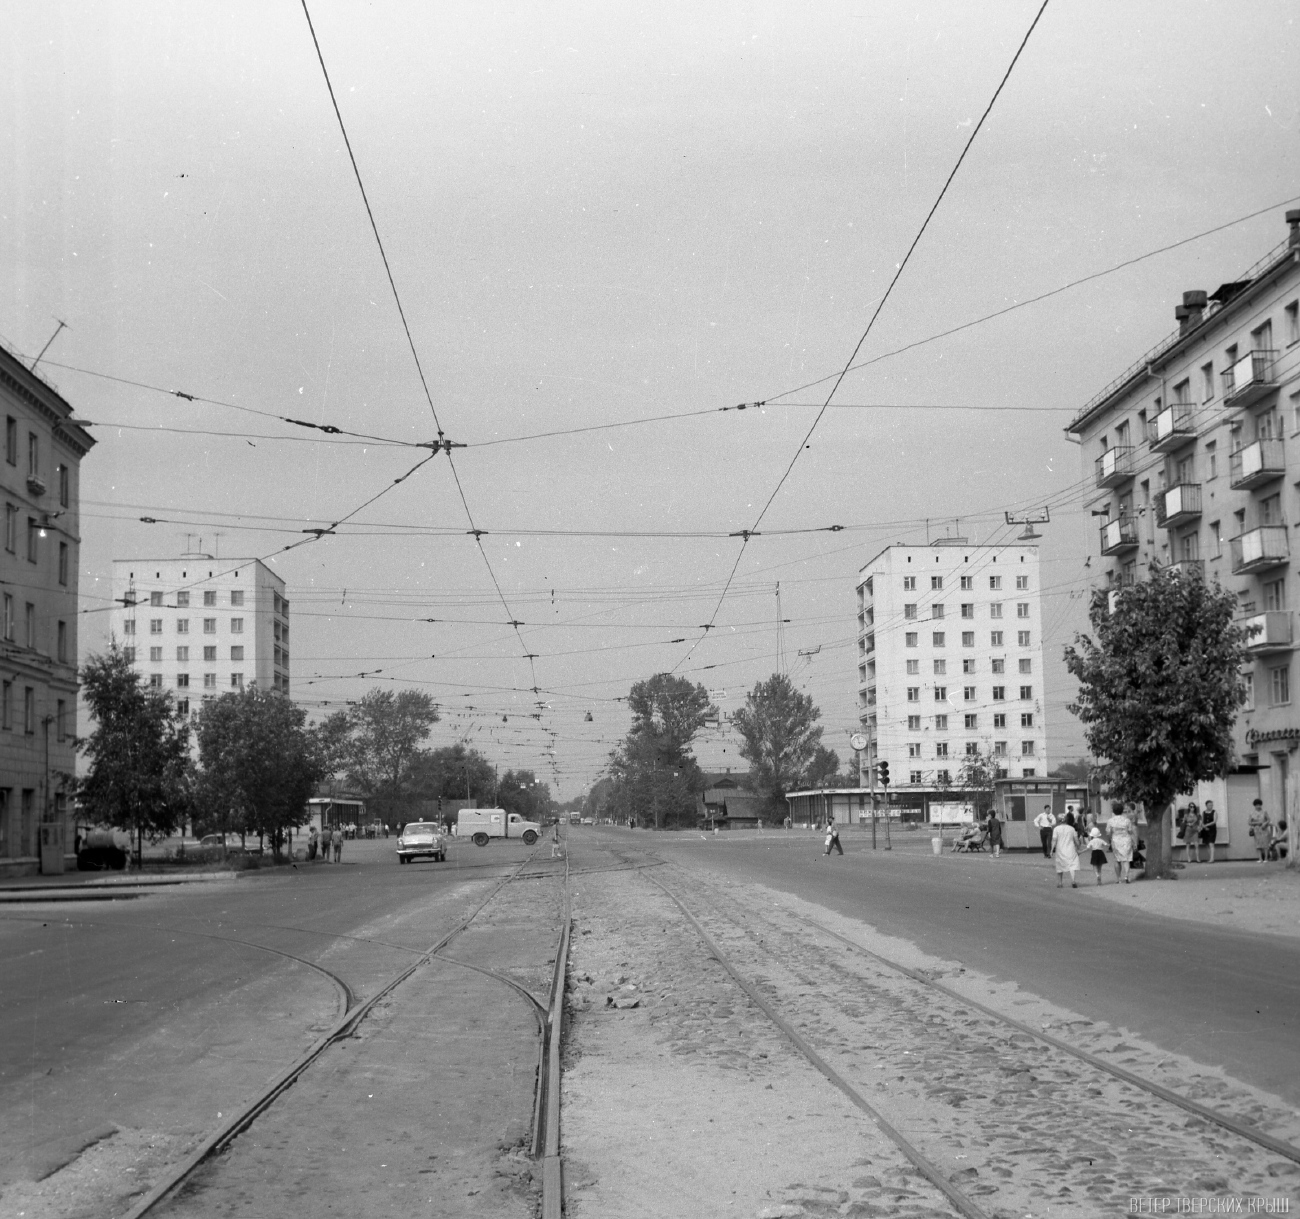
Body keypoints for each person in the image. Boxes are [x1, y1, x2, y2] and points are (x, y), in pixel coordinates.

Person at [1107, 804, 1136, 884]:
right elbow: (1130, 831)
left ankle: (1118, 878)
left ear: (1113, 811)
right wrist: (1134, 842)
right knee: (1126, 859)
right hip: (1126, 840)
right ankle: (1126, 876)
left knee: (1117, 860)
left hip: (1116, 841)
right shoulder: (1127, 820)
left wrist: (1110, 840)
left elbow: (1108, 832)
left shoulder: (1110, 821)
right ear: (1122, 811)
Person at [1050, 816, 1080, 888]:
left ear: (1059, 821)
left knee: (1060, 865)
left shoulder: (1056, 829)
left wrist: (1051, 850)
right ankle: (1073, 880)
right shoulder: (1072, 828)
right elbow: (1076, 840)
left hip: (1060, 849)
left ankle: (1060, 883)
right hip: (1070, 849)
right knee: (1072, 864)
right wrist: (1078, 846)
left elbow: (1054, 840)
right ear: (1066, 820)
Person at [1248, 799, 1273, 863]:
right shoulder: (1252, 813)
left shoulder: (1264, 812)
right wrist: (1257, 823)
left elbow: (1269, 819)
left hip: (1264, 828)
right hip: (1256, 829)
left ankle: (1266, 858)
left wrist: (1265, 823)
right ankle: (1260, 858)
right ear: (1254, 805)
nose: (1258, 806)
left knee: (1265, 843)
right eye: (1257, 805)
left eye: (1259, 805)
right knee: (1258, 844)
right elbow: (1249, 822)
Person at [1199, 800, 1218, 865]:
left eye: (1212, 805)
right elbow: (1202, 821)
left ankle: (1212, 859)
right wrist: (1203, 826)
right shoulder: (1203, 812)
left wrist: (1206, 825)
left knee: (1211, 843)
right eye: (1209, 805)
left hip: (1212, 829)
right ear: (1206, 805)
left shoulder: (1214, 812)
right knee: (1206, 843)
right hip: (1205, 830)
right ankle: (1210, 857)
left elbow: (1214, 821)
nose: (1211, 806)